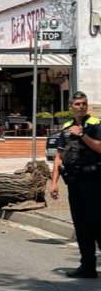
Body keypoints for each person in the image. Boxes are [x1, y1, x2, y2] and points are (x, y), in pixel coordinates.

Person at [50, 91, 101, 279]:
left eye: (84, 103)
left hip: (93, 179)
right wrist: (54, 183)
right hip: (74, 180)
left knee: (96, 223)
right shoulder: (66, 127)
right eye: (78, 104)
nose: (81, 107)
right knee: (80, 224)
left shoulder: (95, 125)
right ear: (70, 106)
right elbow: (59, 157)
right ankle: (87, 266)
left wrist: (82, 135)